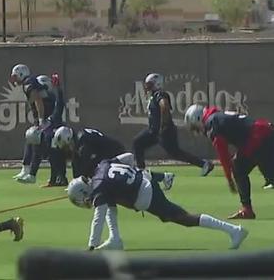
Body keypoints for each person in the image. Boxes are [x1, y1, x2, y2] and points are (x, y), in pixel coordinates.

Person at [66, 159, 247, 251]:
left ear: (83, 192)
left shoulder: (99, 187)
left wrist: (91, 246)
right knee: (110, 202)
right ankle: (115, 239)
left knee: (185, 219)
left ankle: (234, 230)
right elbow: (126, 158)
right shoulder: (102, 166)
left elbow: (98, 218)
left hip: (146, 194)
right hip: (144, 183)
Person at [133, 74, 213, 176]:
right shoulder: (153, 96)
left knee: (176, 153)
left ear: (156, 84)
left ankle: (205, 164)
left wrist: (163, 124)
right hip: (153, 131)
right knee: (138, 143)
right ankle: (141, 171)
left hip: (164, 131)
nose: (147, 87)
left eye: (149, 84)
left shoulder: (160, 94)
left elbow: (164, 105)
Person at [9, 65, 65, 185]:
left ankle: (32, 173)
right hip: (48, 121)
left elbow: (38, 100)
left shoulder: (29, 84)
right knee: (33, 141)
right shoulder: (42, 90)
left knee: (40, 144)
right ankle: (28, 170)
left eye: (15, 76)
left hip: (50, 122)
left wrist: (41, 120)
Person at [52, 126, 127, 179]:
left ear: (68, 139)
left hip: (116, 154)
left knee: (94, 169)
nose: (66, 150)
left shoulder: (83, 142)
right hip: (110, 152)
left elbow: (84, 169)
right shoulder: (79, 139)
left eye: (66, 146)